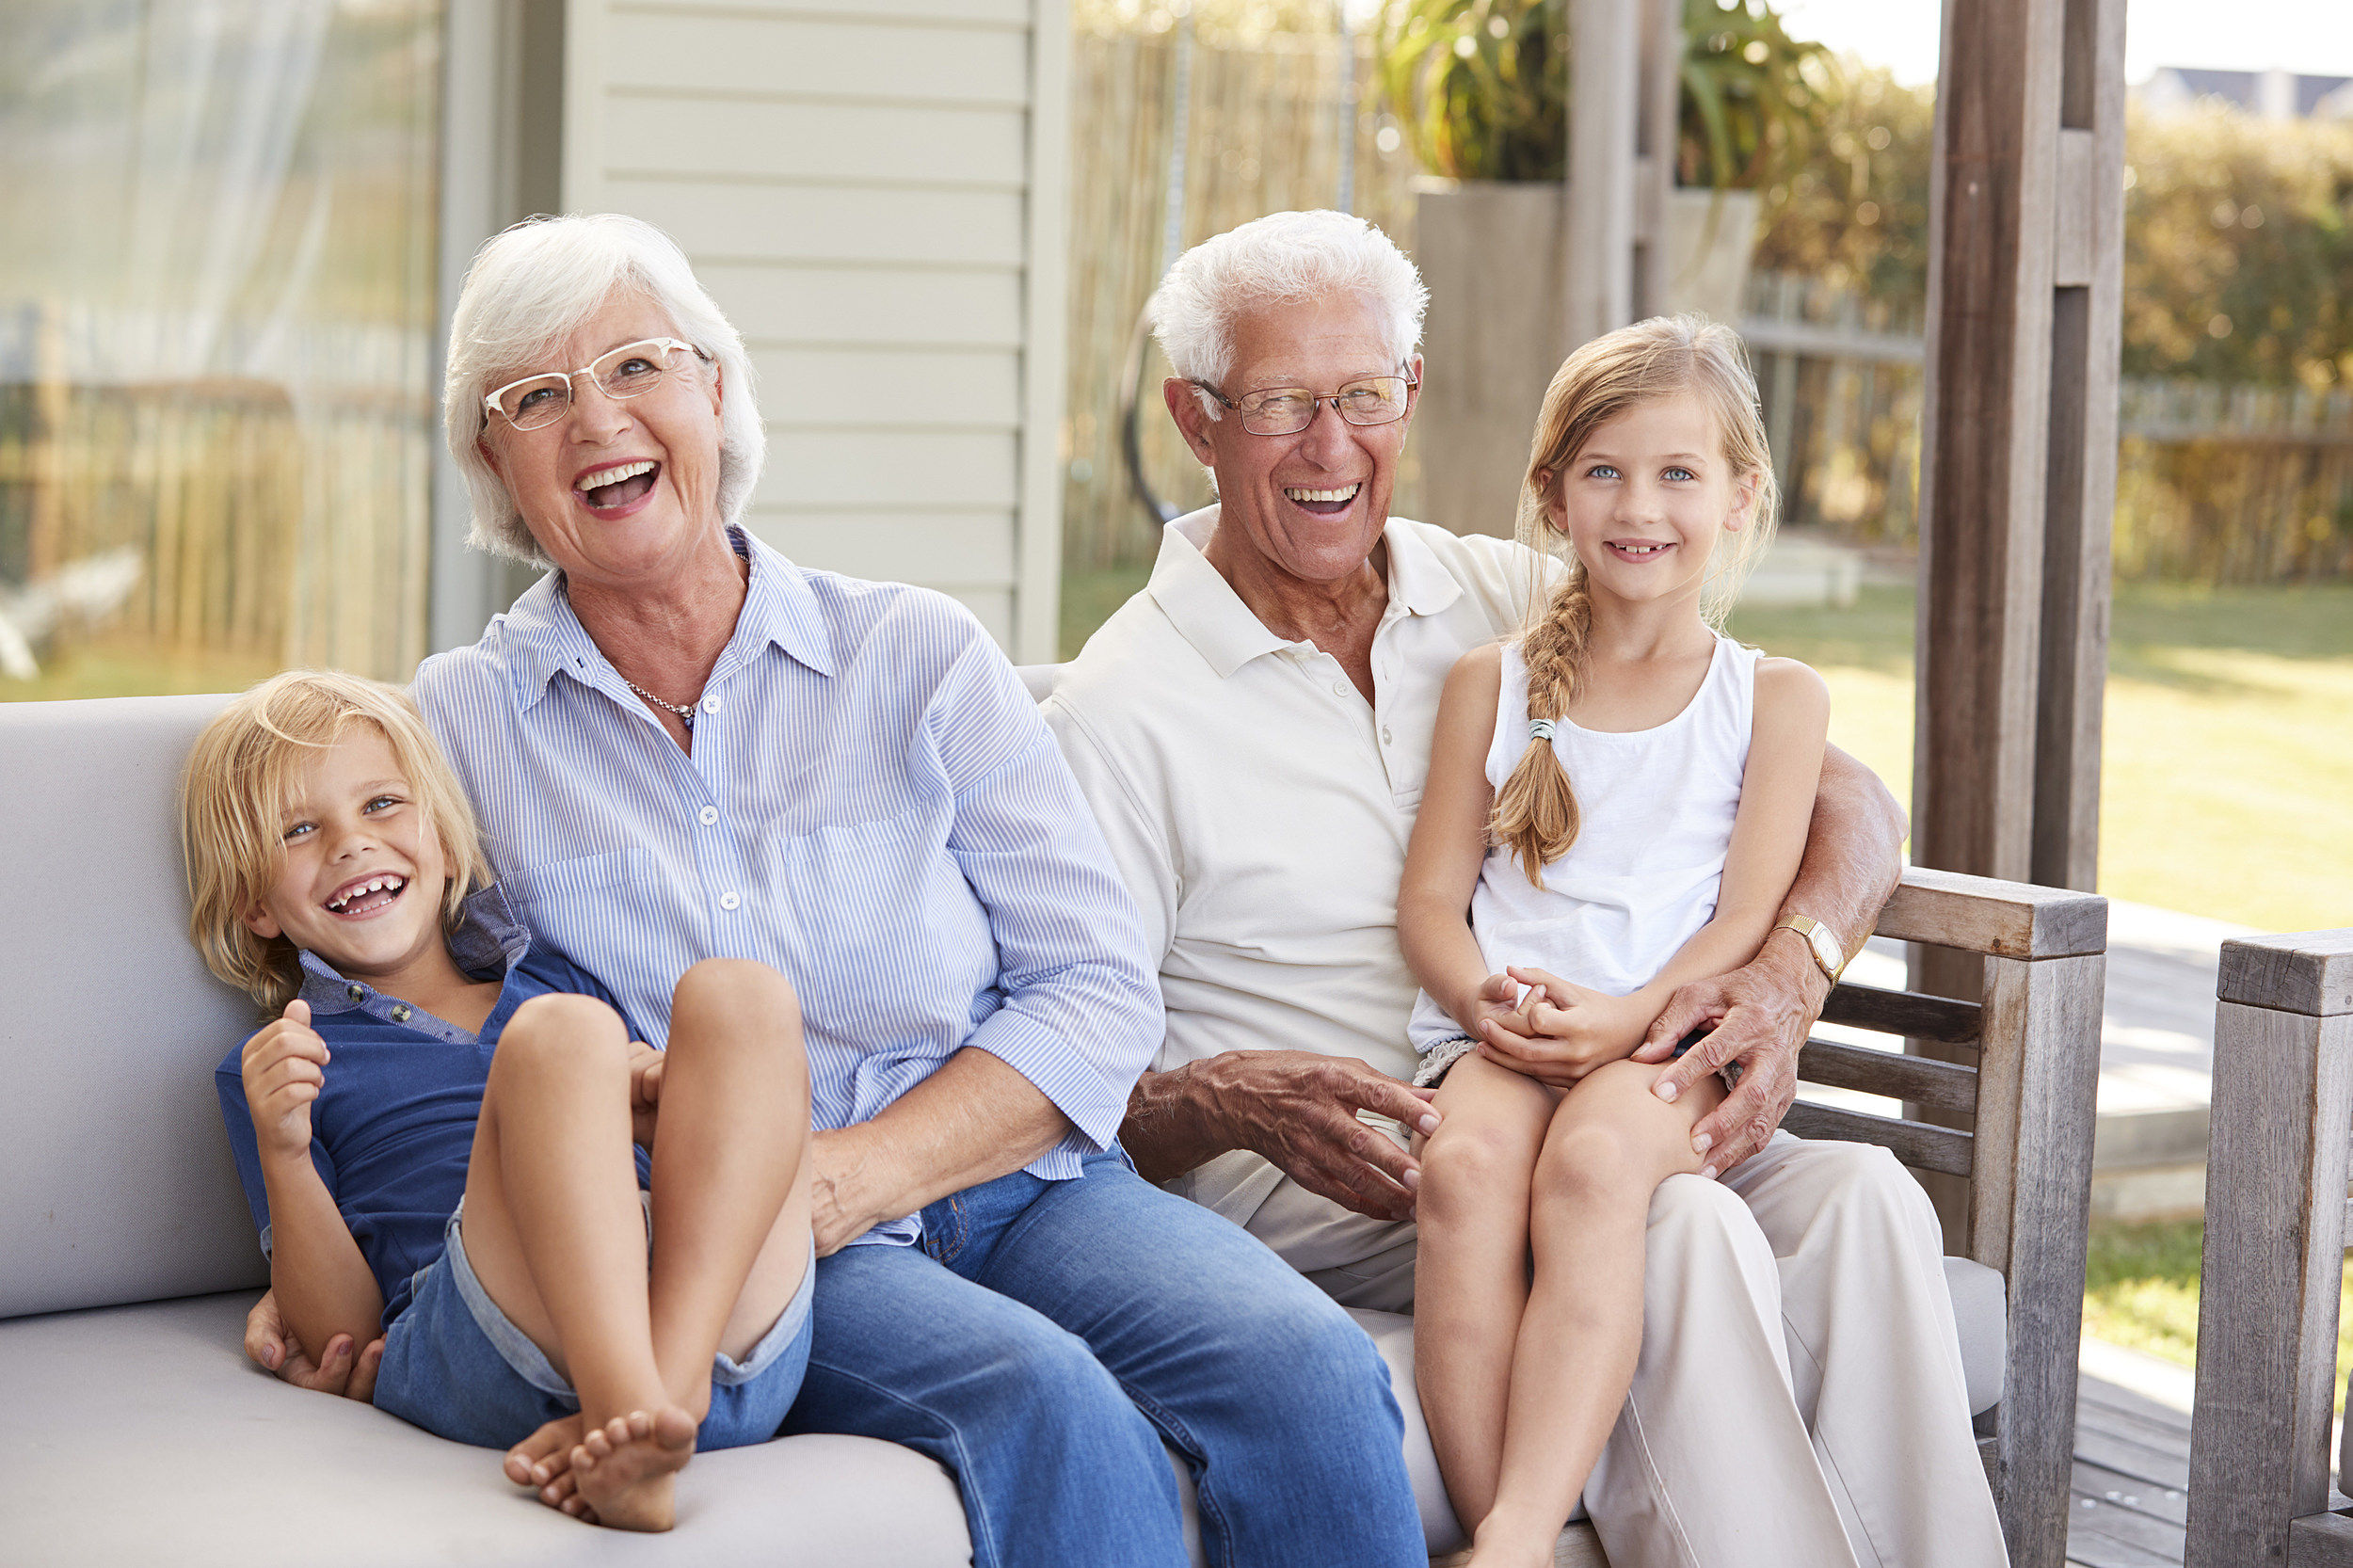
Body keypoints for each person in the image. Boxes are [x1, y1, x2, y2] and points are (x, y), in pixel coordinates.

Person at [240, 213, 1425, 1568]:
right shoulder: (464, 722)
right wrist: (313, 1251)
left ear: (716, 393)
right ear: (494, 462)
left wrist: (858, 1173)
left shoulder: (913, 651)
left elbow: (1095, 983)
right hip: (742, 1238)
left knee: (1312, 1370)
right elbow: (408, 981)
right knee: (1049, 1407)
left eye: (638, 367)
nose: (598, 421)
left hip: (1027, 1183)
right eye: (538, 398)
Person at [1044, 209, 2006, 1566]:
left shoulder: (1491, 588)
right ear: (1197, 422)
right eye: (1279, 405)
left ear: (1411, 396)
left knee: (1866, 1203)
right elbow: (1063, 1086)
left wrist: (1785, 975)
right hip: (1358, 1185)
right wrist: (1228, 1099)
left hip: (1606, 1070)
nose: (1331, 445)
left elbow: (1838, 793)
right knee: (1681, 1236)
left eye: (1362, 395)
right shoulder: (1117, 716)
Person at [185, 671, 814, 1532]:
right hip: (485, 1337)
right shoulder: (282, 1064)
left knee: (743, 996)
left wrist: (654, 1098)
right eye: (300, 829)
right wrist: (284, 1148)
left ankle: (655, 1410)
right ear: (256, 902)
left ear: (442, 834)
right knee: (564, 1039)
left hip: (708, 1327)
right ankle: (633, 1408)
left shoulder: (551, 974)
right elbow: (344, 1337)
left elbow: (680, 1150)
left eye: (380, 805)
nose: (350, 845)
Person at [1402, 316, 1835, 1564]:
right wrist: (1489, 1002)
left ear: (1742, 495)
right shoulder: (1493, 684)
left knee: (1594, 1166)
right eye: (1603, 471)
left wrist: (1629, 1017)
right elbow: (1432, 902)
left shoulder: (1776, 700)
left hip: (1664, 1036)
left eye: (1677, 473)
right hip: (1511, 1027)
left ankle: (1518, 1530)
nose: (1638, 504)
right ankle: (1513, 1529)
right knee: (1465, 1171)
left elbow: (1744, 920)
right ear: (1552, 494)